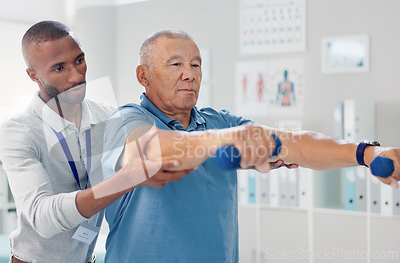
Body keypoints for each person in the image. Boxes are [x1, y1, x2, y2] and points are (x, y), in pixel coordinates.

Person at [101, 29, 400, 262]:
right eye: (175, 64)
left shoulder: (219, 121)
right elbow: (151, 152)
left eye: (195, 64)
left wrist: (367, 153)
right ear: (143, 75)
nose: (189, 73)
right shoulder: (127, 119)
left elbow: (293, 143)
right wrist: (231, 139)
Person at [0, 21, 190, 263]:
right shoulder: (19, 130)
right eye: (59, 68)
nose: (77, 77)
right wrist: (127, 179)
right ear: (33, 75)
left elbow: (148, 151)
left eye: (79, 60)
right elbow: (41, 217)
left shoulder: (107, 115)